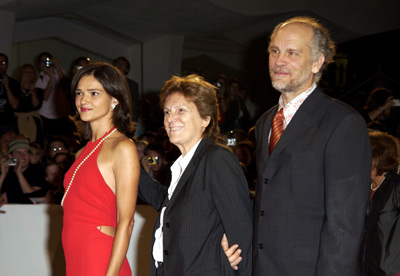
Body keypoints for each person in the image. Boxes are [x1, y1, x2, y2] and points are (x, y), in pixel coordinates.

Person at [231, 16, 371, 275]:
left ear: (317, 62)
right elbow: (267, 203)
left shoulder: (342, 122)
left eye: (292, 52)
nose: (279, 60)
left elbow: (345, 224)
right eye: (275, 51)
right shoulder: (265, 123)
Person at [138, 74, 253, 275]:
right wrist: (129, 164)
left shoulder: (216, 159)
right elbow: (164, 201)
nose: (171, 119)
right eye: (167, 112)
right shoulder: (182, 166)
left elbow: (241, 232)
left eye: (181, 110)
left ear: (205, 119)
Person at [61, 62, 139, 275]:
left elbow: (127, 221)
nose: (83, 100)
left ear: (115, 99)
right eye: (79, 93)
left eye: (93, 93)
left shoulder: (122, 147)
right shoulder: (81, 153)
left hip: (100, 259)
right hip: (75, 258)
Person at [359, 131, 400, 276]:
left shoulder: (396, 186)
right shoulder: (363, 187)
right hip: (365, 269)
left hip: (390, 271)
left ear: (377, 157)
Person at [35, 52, 72, 136]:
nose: (45, 63)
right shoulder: (38, 77)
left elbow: (67, 86)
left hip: (61, 114)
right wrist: (51, 77)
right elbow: (45, 96)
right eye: (42, 61)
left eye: (47, 61)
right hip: (45, 115)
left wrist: (57, 67)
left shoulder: (60, 72)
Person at [0, 138, 46, 203]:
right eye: (18, 153)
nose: (22, 156)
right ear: (10, 156)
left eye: (25, 152)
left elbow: (32, 197)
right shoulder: (7, 170)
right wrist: (3, 175)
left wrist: (19, 173)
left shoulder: (37, 170)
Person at [14, 64, 44, 142]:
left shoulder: (38, 91)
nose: (29, 75)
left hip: (33, 121)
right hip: (18, 121)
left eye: (31, 72)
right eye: (26, 72)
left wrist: (33, 91)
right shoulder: (14, 88)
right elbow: (15, 106)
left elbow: (36, 106)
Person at [0, 53, 20, 135]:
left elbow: (15, 105)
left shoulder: (14, 83)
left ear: (7, 65)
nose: (0, 65)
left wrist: (7, 87)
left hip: (7, 123)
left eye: (3, 63)